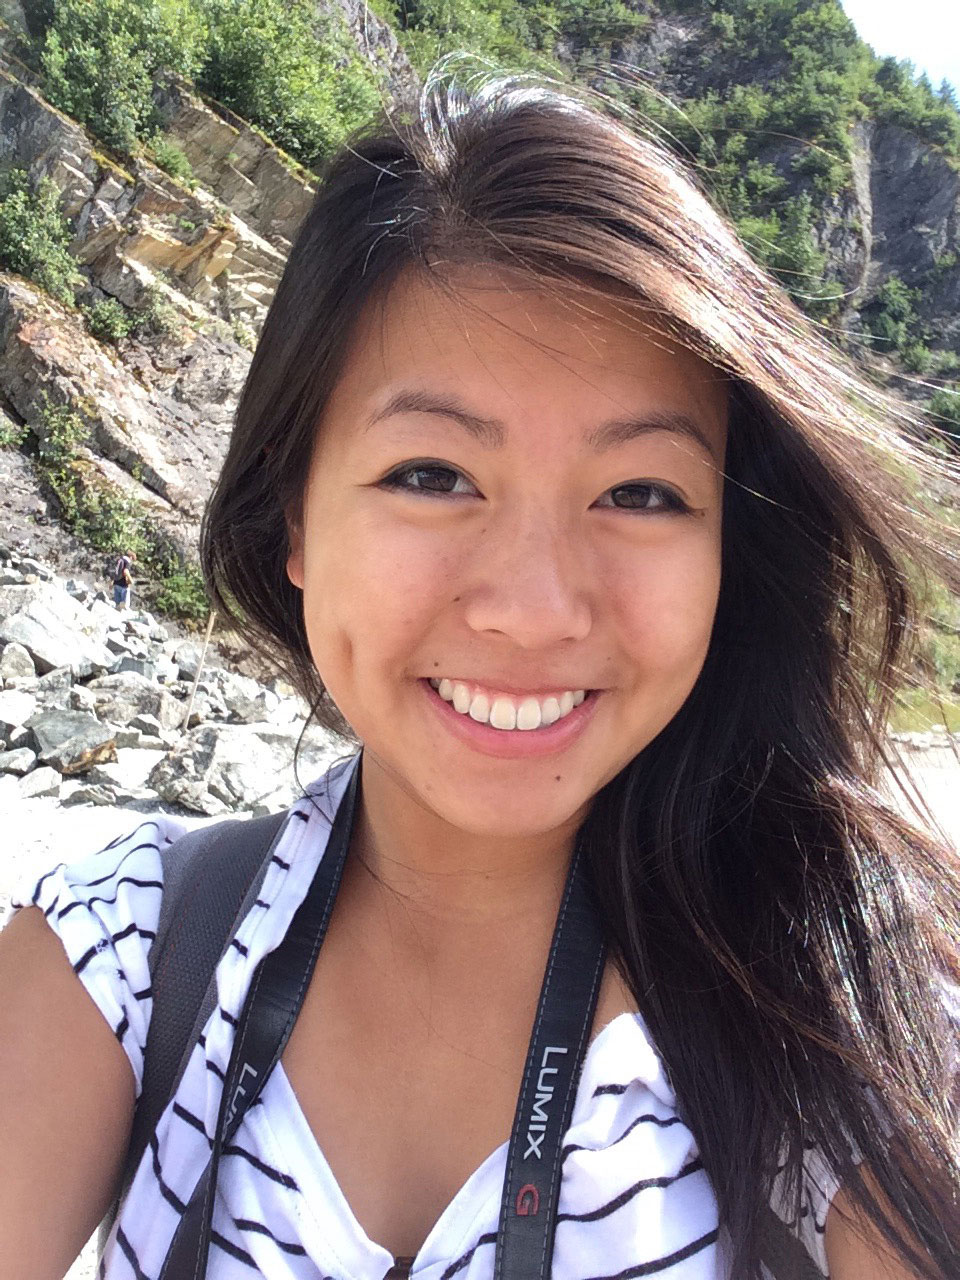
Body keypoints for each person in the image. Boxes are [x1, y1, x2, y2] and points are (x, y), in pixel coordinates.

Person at [1, 66, 959, 1280]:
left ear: (733, 547)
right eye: (432, 473)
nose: (534, 608)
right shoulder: (126, 954)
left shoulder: (852, 1009)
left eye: (642, 493)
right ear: (294, 516)